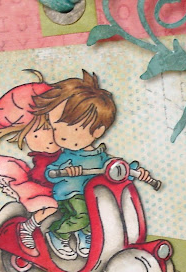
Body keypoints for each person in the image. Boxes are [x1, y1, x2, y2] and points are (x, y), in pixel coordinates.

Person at [33, 70, 150, 260]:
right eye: (55, 127)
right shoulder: (68, 156)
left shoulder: (100, 156)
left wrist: (135, 171)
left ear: (97, 131)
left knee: (101, 214)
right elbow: (50, 172)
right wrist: (65, 171)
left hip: (95, 195)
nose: (60, 134)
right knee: (83, 214)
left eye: (71, 126)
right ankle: (58, 233)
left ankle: (84, 234)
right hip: (71, 194)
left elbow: (116, 168)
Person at [0, 70, 60, 257]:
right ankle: (28, 227)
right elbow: (44, 175)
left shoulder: (66, 150)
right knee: (53, 206)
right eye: (36, 134)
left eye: (53, 129)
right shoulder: (43, 159)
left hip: (64, 186)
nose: (49, 139)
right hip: (44, 188)